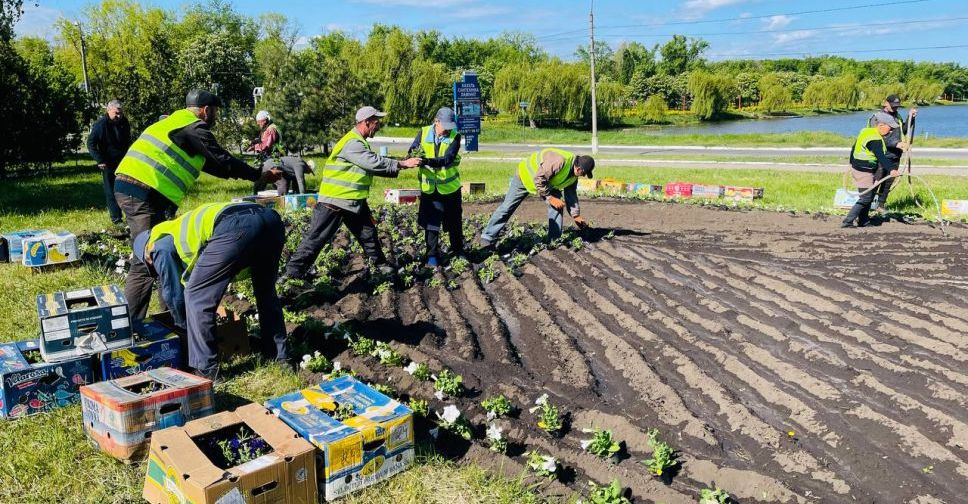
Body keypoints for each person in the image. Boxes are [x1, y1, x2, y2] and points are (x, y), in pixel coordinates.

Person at [114, 89, 281, 325]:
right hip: (143, 191)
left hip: (139, 190)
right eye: (215, 112)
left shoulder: (176, 124)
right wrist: (258, 175)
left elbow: (217, 167)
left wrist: (252, 175)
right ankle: (130, 325)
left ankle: (170, 315)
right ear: (206, 110)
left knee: (163, 251)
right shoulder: (194, 127)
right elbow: (222, 159)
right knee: (148, 257)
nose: (215, 117)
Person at [132, 202, 286, 380]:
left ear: (146, 255)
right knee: (266, 293)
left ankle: (207, 371)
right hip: (270, 219)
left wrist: (183, 328)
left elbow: (175, 295)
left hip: (235, 226)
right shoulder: (175, 226)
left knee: (196, 297)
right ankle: (279, 357)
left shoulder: (156, 246)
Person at [280, 106, 422, 281]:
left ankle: (381, 265)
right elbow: (372, 162)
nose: (378, 126)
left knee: (368, 233)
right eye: (376, 123)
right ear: (366, 122)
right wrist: (402, 164)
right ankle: (291, 275)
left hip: (353, 200)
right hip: (334, 201)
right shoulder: (352, 142)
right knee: (316, 239)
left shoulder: (359, 141)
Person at [479, 148, 594, 248]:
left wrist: (576, 215)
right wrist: (549, 197)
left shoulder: (573, 177)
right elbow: (539, 179)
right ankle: (487, 237)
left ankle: (554, 241)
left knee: (557, 206)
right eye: (584, 173)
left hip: (547, 183)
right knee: (507, 207)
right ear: (579, 169)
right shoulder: (560, 161)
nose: (583, 176)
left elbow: (571, 196)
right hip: (525, 177)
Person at [409, 107, 464, 268]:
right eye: (445, 126)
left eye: (450, 126)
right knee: (431, 224)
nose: (448, 130)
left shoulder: (455, 136)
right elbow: (412, 150)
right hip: (430, 189)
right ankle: (432, 254)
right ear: (436, 121)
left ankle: (458, 251)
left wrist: (426, 161)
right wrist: (412, 156)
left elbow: (447, 159)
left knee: (454, 222)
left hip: (450, 189)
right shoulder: (424, 132)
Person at [842, 119, 897, 228]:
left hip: (861, 168)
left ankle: (863, 221)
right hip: (863, 171)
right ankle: (847, 222)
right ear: (881, 125)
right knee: (866, 198)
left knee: (869, 196)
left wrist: (851, 162)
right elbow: (881, 156)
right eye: (890, 128)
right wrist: (892, 169)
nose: (891, 132)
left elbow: (854, 147)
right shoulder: (874, 139)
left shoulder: (866, 131)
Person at [867, 95, 917, 212]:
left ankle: (881, 205)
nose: (895, 108)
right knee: (876, 181)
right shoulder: (877, 118)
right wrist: (896, 144)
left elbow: (904, 130)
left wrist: (910, 118)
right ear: (885, 103)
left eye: (897, 106)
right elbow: (876, 138)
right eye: (893, 106)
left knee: (888, 182)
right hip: (881, 155)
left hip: (895, 156)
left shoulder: (897, 116)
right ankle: (865, 206)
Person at [87, 100, 131, 225]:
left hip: (123, 161)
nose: (119, 116)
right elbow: (90, 143)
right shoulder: (101, 124)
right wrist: (99, 160)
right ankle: (116, 219)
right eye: (116, 113)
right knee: (111, 191)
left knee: (126, 189)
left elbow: (127, 139)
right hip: (108, 162)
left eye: (121, 113)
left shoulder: (124, 122)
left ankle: (131, 217)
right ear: (108, 110)